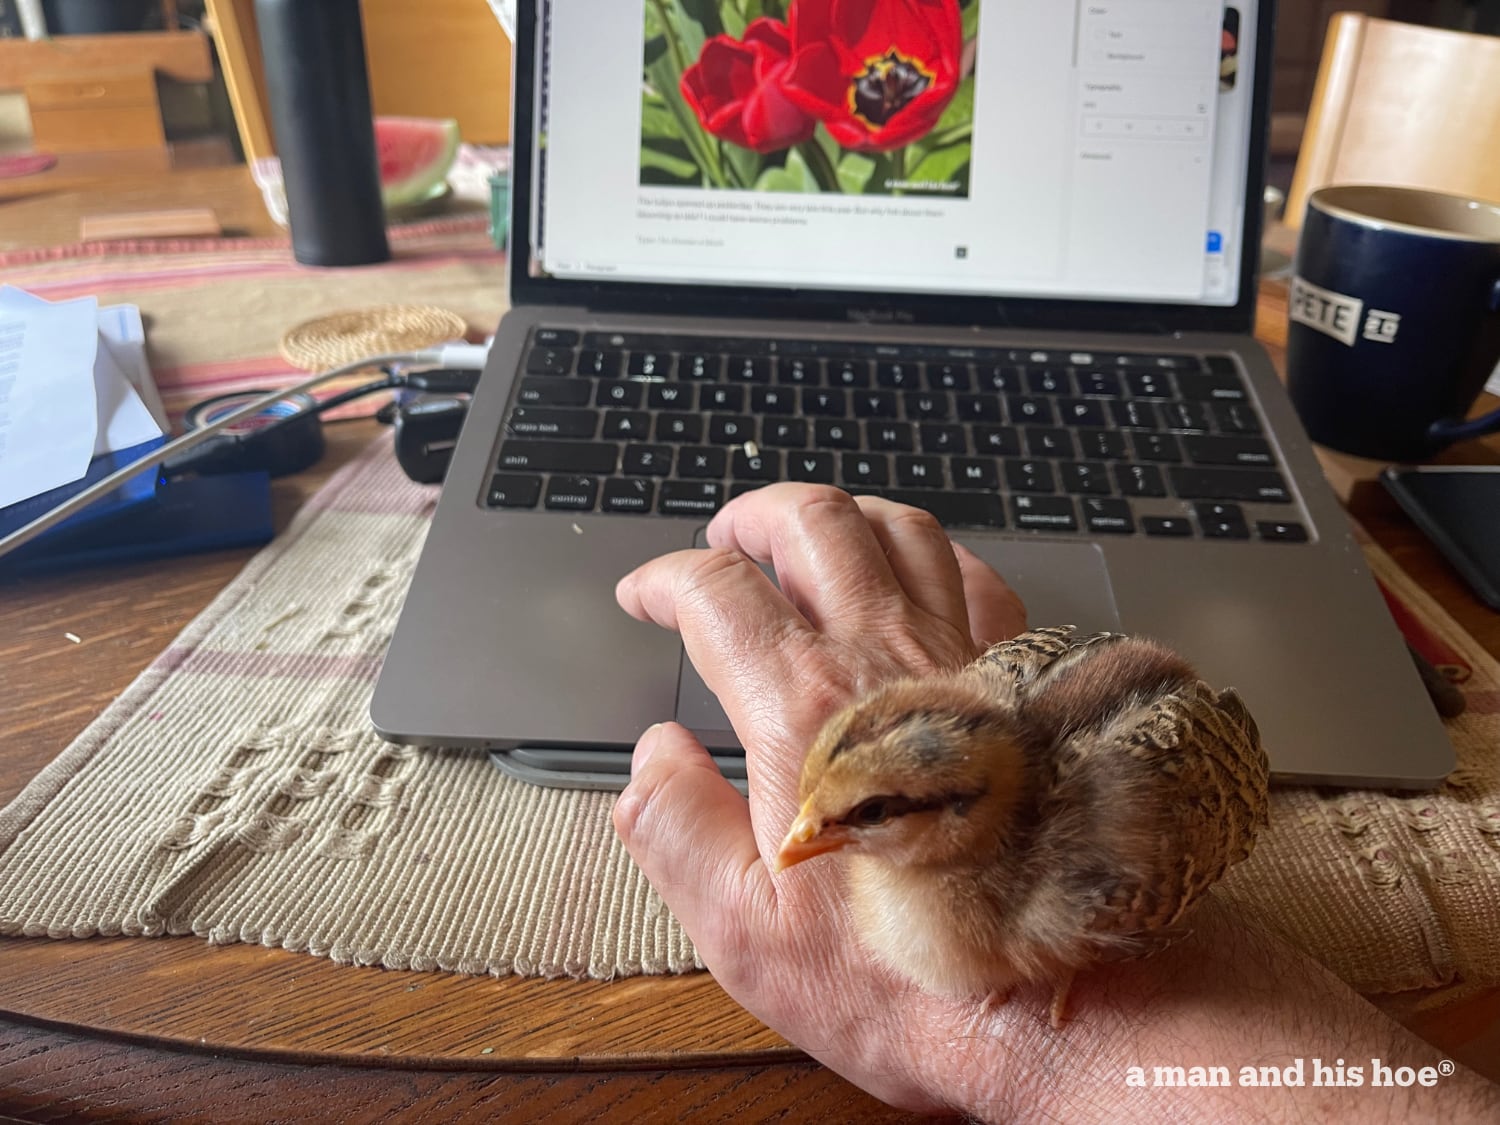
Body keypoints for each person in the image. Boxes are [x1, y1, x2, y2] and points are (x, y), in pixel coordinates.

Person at [611, 483, 1500, 1121]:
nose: (814, 834)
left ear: (960, 813)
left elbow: (1190, 790)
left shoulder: (1089, 882)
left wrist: (1046, 1064)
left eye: (866, 815)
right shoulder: (965, 757)